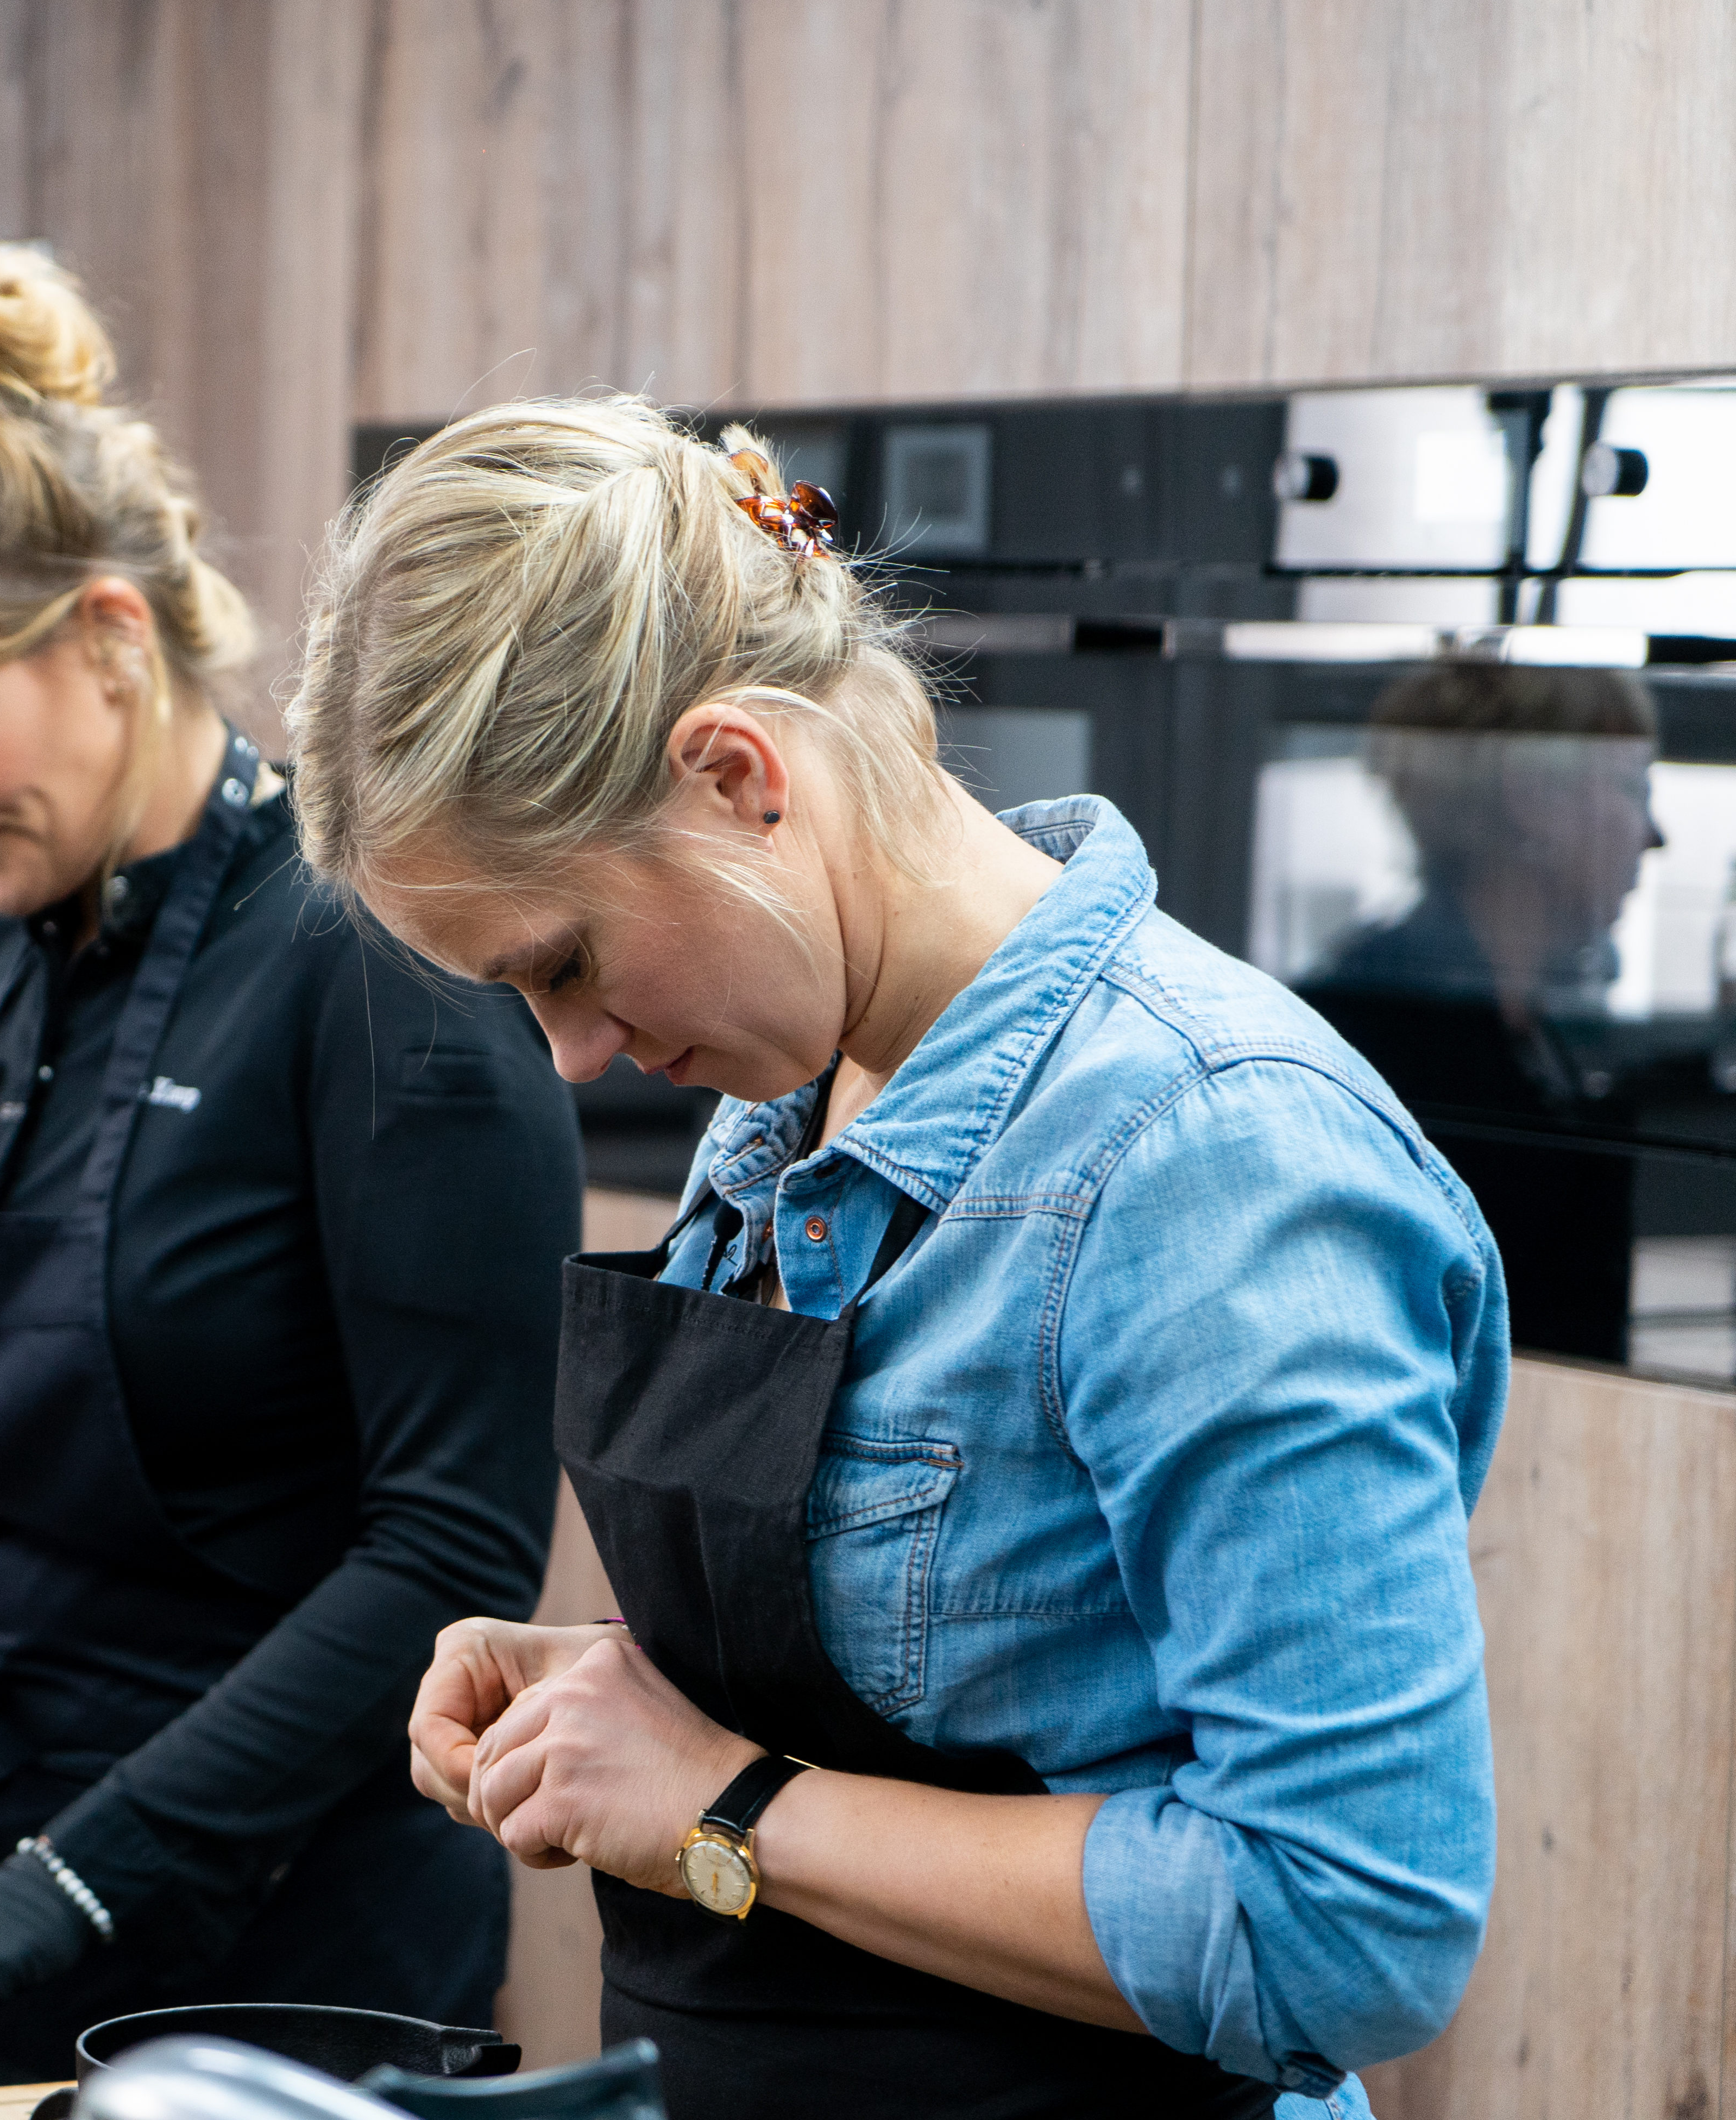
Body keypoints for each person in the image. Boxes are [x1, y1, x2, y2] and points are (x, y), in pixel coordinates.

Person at [288, 399, 1507, 2118]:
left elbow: (1344, 1924)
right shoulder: (792, 1099)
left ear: (738, 777)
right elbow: (912, 1688)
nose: (564, 1057)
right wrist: (614, 1708)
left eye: (563, 962)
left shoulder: (1214, 1163)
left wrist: (724, 1803)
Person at [0, 247, 583, 2079]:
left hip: (272, 1961)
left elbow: (445, 1546)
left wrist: (74, 1894)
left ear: (113, 639)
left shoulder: (377, 973)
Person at [1300, 659, 1663, 1366]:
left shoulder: (1544, 1026)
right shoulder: (1372, 1028)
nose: (1653, 834)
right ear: (1535, 802)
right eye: (1630, 788)